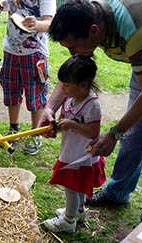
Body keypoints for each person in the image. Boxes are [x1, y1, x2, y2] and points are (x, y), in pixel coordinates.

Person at [43, 0, 142, 221]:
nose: (73, 54)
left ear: (95, 31)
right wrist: (50, 107)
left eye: (74, 46)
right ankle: (118, 192)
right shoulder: (93, 13)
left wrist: (114, 134)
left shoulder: (135, 32)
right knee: (135, 133)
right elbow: (73, 71)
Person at [0, 0, 56, 154]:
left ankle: (34, 134)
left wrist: (36, 24)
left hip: (34, 53)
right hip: (11, 49)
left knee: (35, 94)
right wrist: (0, 6)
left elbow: (50, 22)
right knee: (11, 91)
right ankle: (13, 130)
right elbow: (9, 4)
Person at [42, 55, 106, 233]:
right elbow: (67, 121)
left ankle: (68, 222)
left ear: (83, 85)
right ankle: (78, 211)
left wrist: (72, 125)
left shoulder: (92, 105)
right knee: (77, 186)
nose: (62, 88)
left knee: (72, 187)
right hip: (71, 150)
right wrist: (58, 127)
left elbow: (93, 133)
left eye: (67, 85)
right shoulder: (71, 99)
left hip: (81, 155)